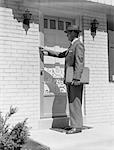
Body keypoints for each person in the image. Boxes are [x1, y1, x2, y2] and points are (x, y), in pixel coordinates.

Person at [39, 25, 85, 134]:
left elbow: (80, 62)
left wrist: (77, 78)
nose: (67, 35)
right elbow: (61, 54)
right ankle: (74, 124)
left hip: (75, 80)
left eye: (68, 33)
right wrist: (47, 51)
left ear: (74, 33)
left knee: (75, 102)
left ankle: (77, 127)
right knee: (72, 102)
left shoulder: (78, 45)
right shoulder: (72, 46)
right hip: (70, 79)